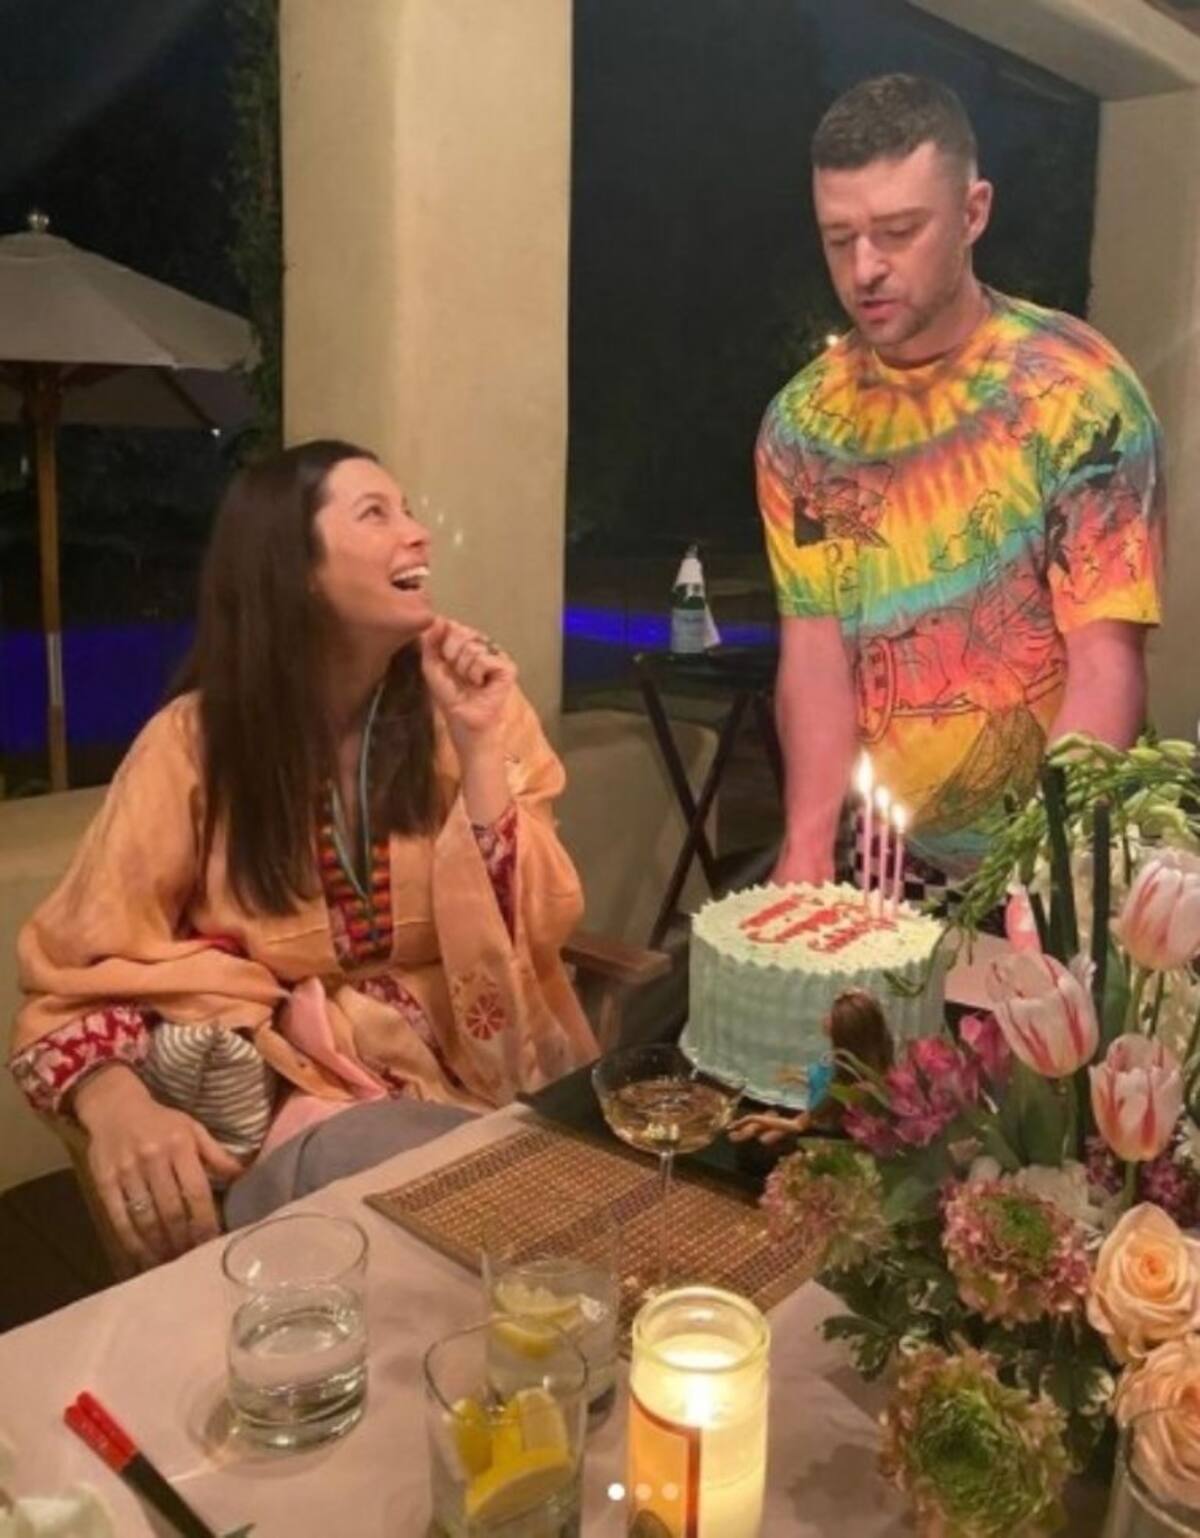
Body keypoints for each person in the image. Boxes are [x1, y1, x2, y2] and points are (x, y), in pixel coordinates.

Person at [9, 441, 598, 1267]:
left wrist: (476, 747)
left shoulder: (471, 709)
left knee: (518, 1217)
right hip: (306, 1101)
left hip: (481, 1076)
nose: (418, 533)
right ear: (297, 569)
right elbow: (73, 967)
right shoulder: (194, 745)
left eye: (408, 510)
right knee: (440, 1197)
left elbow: (535, 925)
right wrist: (114, 1103)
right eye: (376, 513)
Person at [758, 74, 1164, 893]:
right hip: (894, 855)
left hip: (1072, 846)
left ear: (973, 213)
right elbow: (815, 653)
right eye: (839, 239)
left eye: (899, 232)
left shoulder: (1076, 392)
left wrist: (1046, 873)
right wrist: (806, 845)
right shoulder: (802, 425)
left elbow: (1105, 662)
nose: (865, 269)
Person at [730, 988, 894, 1145]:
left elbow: (798, 1124)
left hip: (826, 1130)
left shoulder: (845, 1084)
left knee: (764, 1142)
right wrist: (797, 1078)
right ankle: (768, 1121)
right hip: (816, 1113)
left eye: (832, 1018)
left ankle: (763, 1125)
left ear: (844, 1032)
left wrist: (753, 1118)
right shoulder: (844, 1061)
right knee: (772, 1129)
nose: (825, 1018)